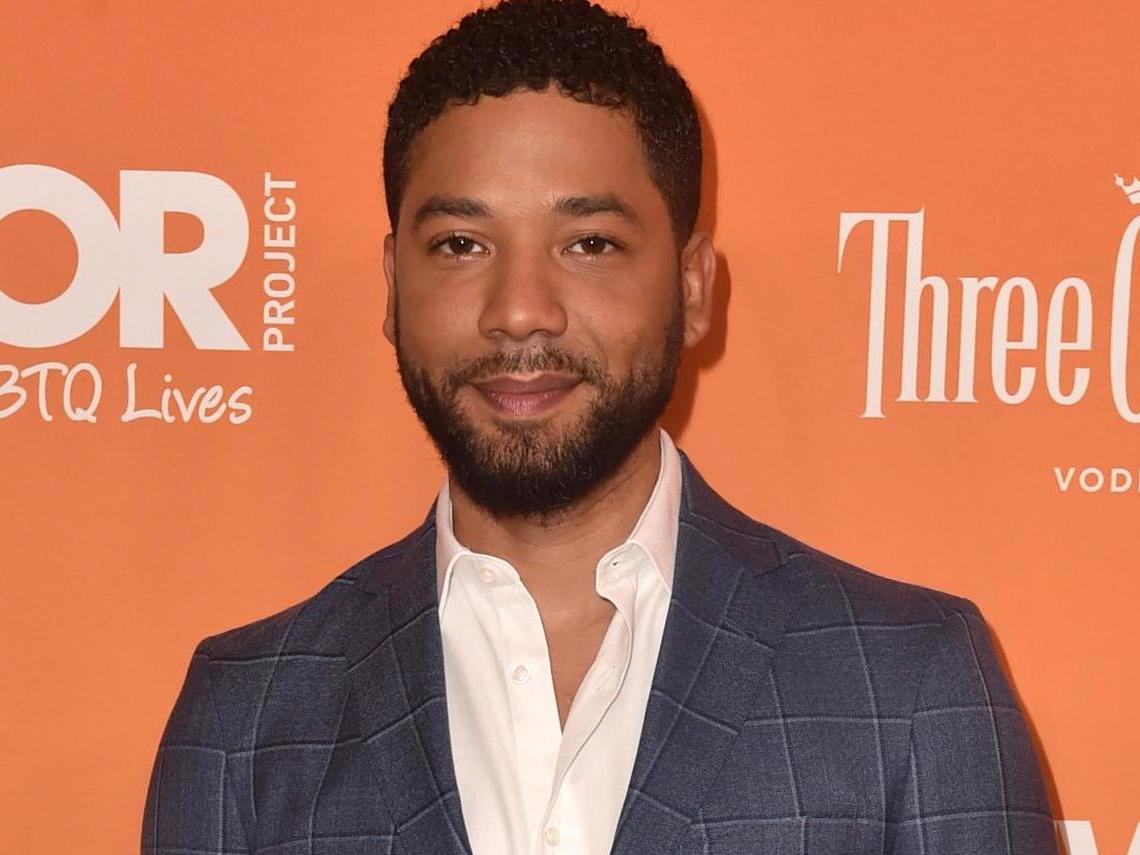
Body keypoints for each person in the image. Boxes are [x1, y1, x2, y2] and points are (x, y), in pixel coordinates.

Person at [142, 1, 1057, 853]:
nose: (520, 310)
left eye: (590, 244)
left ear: (692, 289)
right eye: (462, 244)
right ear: (392, 287)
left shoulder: (905, 686)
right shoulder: (248, 716)